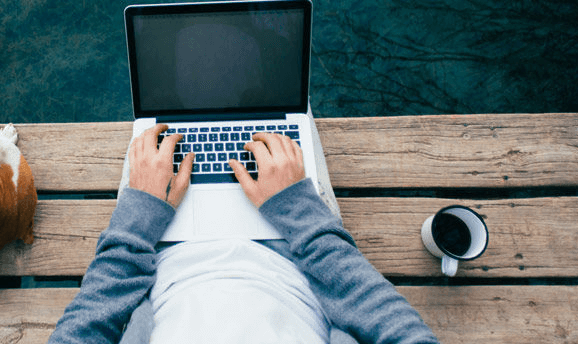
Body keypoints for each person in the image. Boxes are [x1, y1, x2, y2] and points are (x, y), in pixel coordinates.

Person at [48, 125, 440, 344]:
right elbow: (395, 329)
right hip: (301, 254)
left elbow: (84, 330)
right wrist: (297, 209)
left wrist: (140, 217)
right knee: (287, 116)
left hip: (156, 250)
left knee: (154, 133)